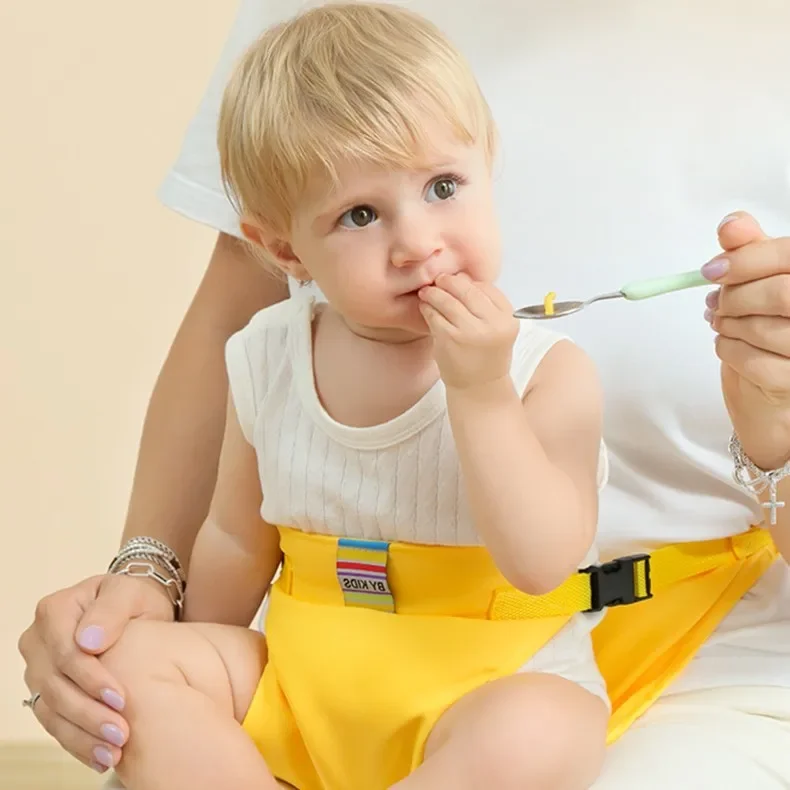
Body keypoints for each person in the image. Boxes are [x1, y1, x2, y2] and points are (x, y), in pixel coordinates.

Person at [18, 0, 790, 787]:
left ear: (490, 168)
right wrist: (173, 646)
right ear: (284, 250)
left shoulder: (544, 371)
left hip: (489, 680)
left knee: (545, 729)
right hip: (305, 674)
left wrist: (481, 394)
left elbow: (542, 563)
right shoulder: (267, 357)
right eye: (361, 215)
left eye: (444, 187)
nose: (417, 243)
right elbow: (235, 539)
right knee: (133, 669)